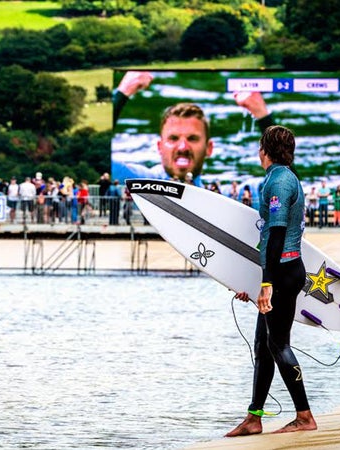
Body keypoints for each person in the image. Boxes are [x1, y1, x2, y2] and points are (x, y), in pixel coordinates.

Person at [229, 125, 315, 437]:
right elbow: (267, 237)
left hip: (284, 271)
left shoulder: (279, 180)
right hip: (283, 270)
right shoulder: (283, 177)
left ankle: (304, 416)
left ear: (264, 150)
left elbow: (276, 234)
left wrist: (267, 284)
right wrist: (250, 281)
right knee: (263, 346)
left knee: (278, 344)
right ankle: (254, 417)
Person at [112, 70, 274, 187]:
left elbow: (287, 190)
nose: (183, 147)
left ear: (209, 148)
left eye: (192, 139)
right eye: (173, 139)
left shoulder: (224, 195)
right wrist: (122, 93)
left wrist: (263, 116)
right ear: (159, 147)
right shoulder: (136, 181)